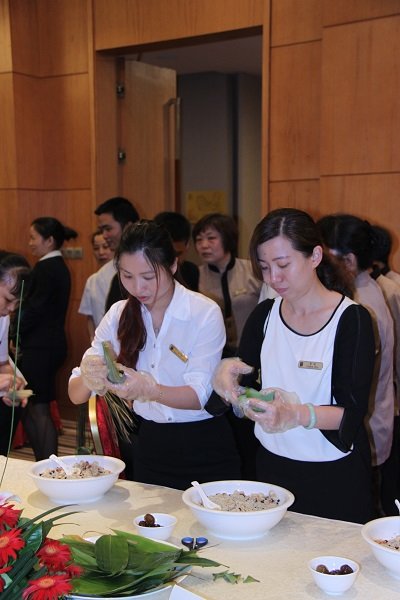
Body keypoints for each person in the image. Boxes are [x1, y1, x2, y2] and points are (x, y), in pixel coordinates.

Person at [213, 208, 376, 523]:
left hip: (333, 474)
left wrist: (296, 414)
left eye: (283, 265)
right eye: (264, 267)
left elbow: (351, 413)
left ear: (315, 256)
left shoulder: (351, 320)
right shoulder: (265, 315)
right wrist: (227, 378)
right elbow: (245, 384)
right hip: (272, 466)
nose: (274, 278)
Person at [69, 220, 240, 489]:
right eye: (127, 276)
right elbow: (75, 393)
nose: (138, 288)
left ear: (172, 265)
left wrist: (150, 389)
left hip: (204, 444)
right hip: (150, 442)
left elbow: (199, 396)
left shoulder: (203, 312)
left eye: (148, 276)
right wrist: (90, 377)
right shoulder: (118, 315)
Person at [318, 214, 396, 516]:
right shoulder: (366, 290)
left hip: (363, 425)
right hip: (366, 419)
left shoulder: (359, 305)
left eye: (324, 254)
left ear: (348, 260)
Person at [15, 217, 77, 460]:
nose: (30, 243)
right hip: (48, 345)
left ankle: (48, 464)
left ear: (49, 240)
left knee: (37, 407)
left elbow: (34, 310)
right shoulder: (57, 265)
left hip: (40, 347)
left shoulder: (45, 267)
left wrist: (13, 331)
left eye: (33, 237)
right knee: (33, 406)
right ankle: (44, 463)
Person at [193, 213, 262, 357]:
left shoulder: (253, 270)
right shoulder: (195, 276)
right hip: (212, 353)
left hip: (254, 350)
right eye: (199, 240)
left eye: (211, 238)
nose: (204, 245)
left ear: (228, 238)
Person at [0, 251, 31, 456]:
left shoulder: (3, 318)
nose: (10, 309)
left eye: (17, 304)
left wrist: (12, 380)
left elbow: (2, 363)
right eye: (8, 299)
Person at [95, 197, 140, 312]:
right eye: (101, 230)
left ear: (128, 227)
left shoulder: (149, 264)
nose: (104, 235)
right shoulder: (109, 274)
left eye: (108, 229)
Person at [78, 230, 114, 341]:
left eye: (105, 247)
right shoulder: (92, 280)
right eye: (96, 248)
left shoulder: (126, 276)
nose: (101, 252)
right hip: (102, 340)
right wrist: (92, 338)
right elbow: (90, 316)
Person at [154, 211, 199, 291]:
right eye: (166, 255)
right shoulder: (145, 273)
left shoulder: (192, 272)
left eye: (177, 254)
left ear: (187, 244)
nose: (172, 261)